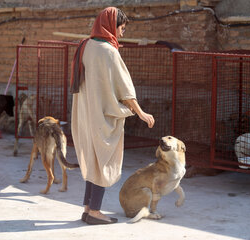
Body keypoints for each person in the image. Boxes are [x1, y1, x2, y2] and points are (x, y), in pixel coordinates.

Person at [71, 7, 155, 225]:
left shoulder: (84, 45)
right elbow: (125, 91)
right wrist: (141, 113)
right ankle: (96, 212)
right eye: (122, 28)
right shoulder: (109, 51)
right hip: (101, 115)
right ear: (111, 26)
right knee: (104, 160)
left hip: (84, 114)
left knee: (93, 158)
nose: (123, 33)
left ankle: (88, 208)